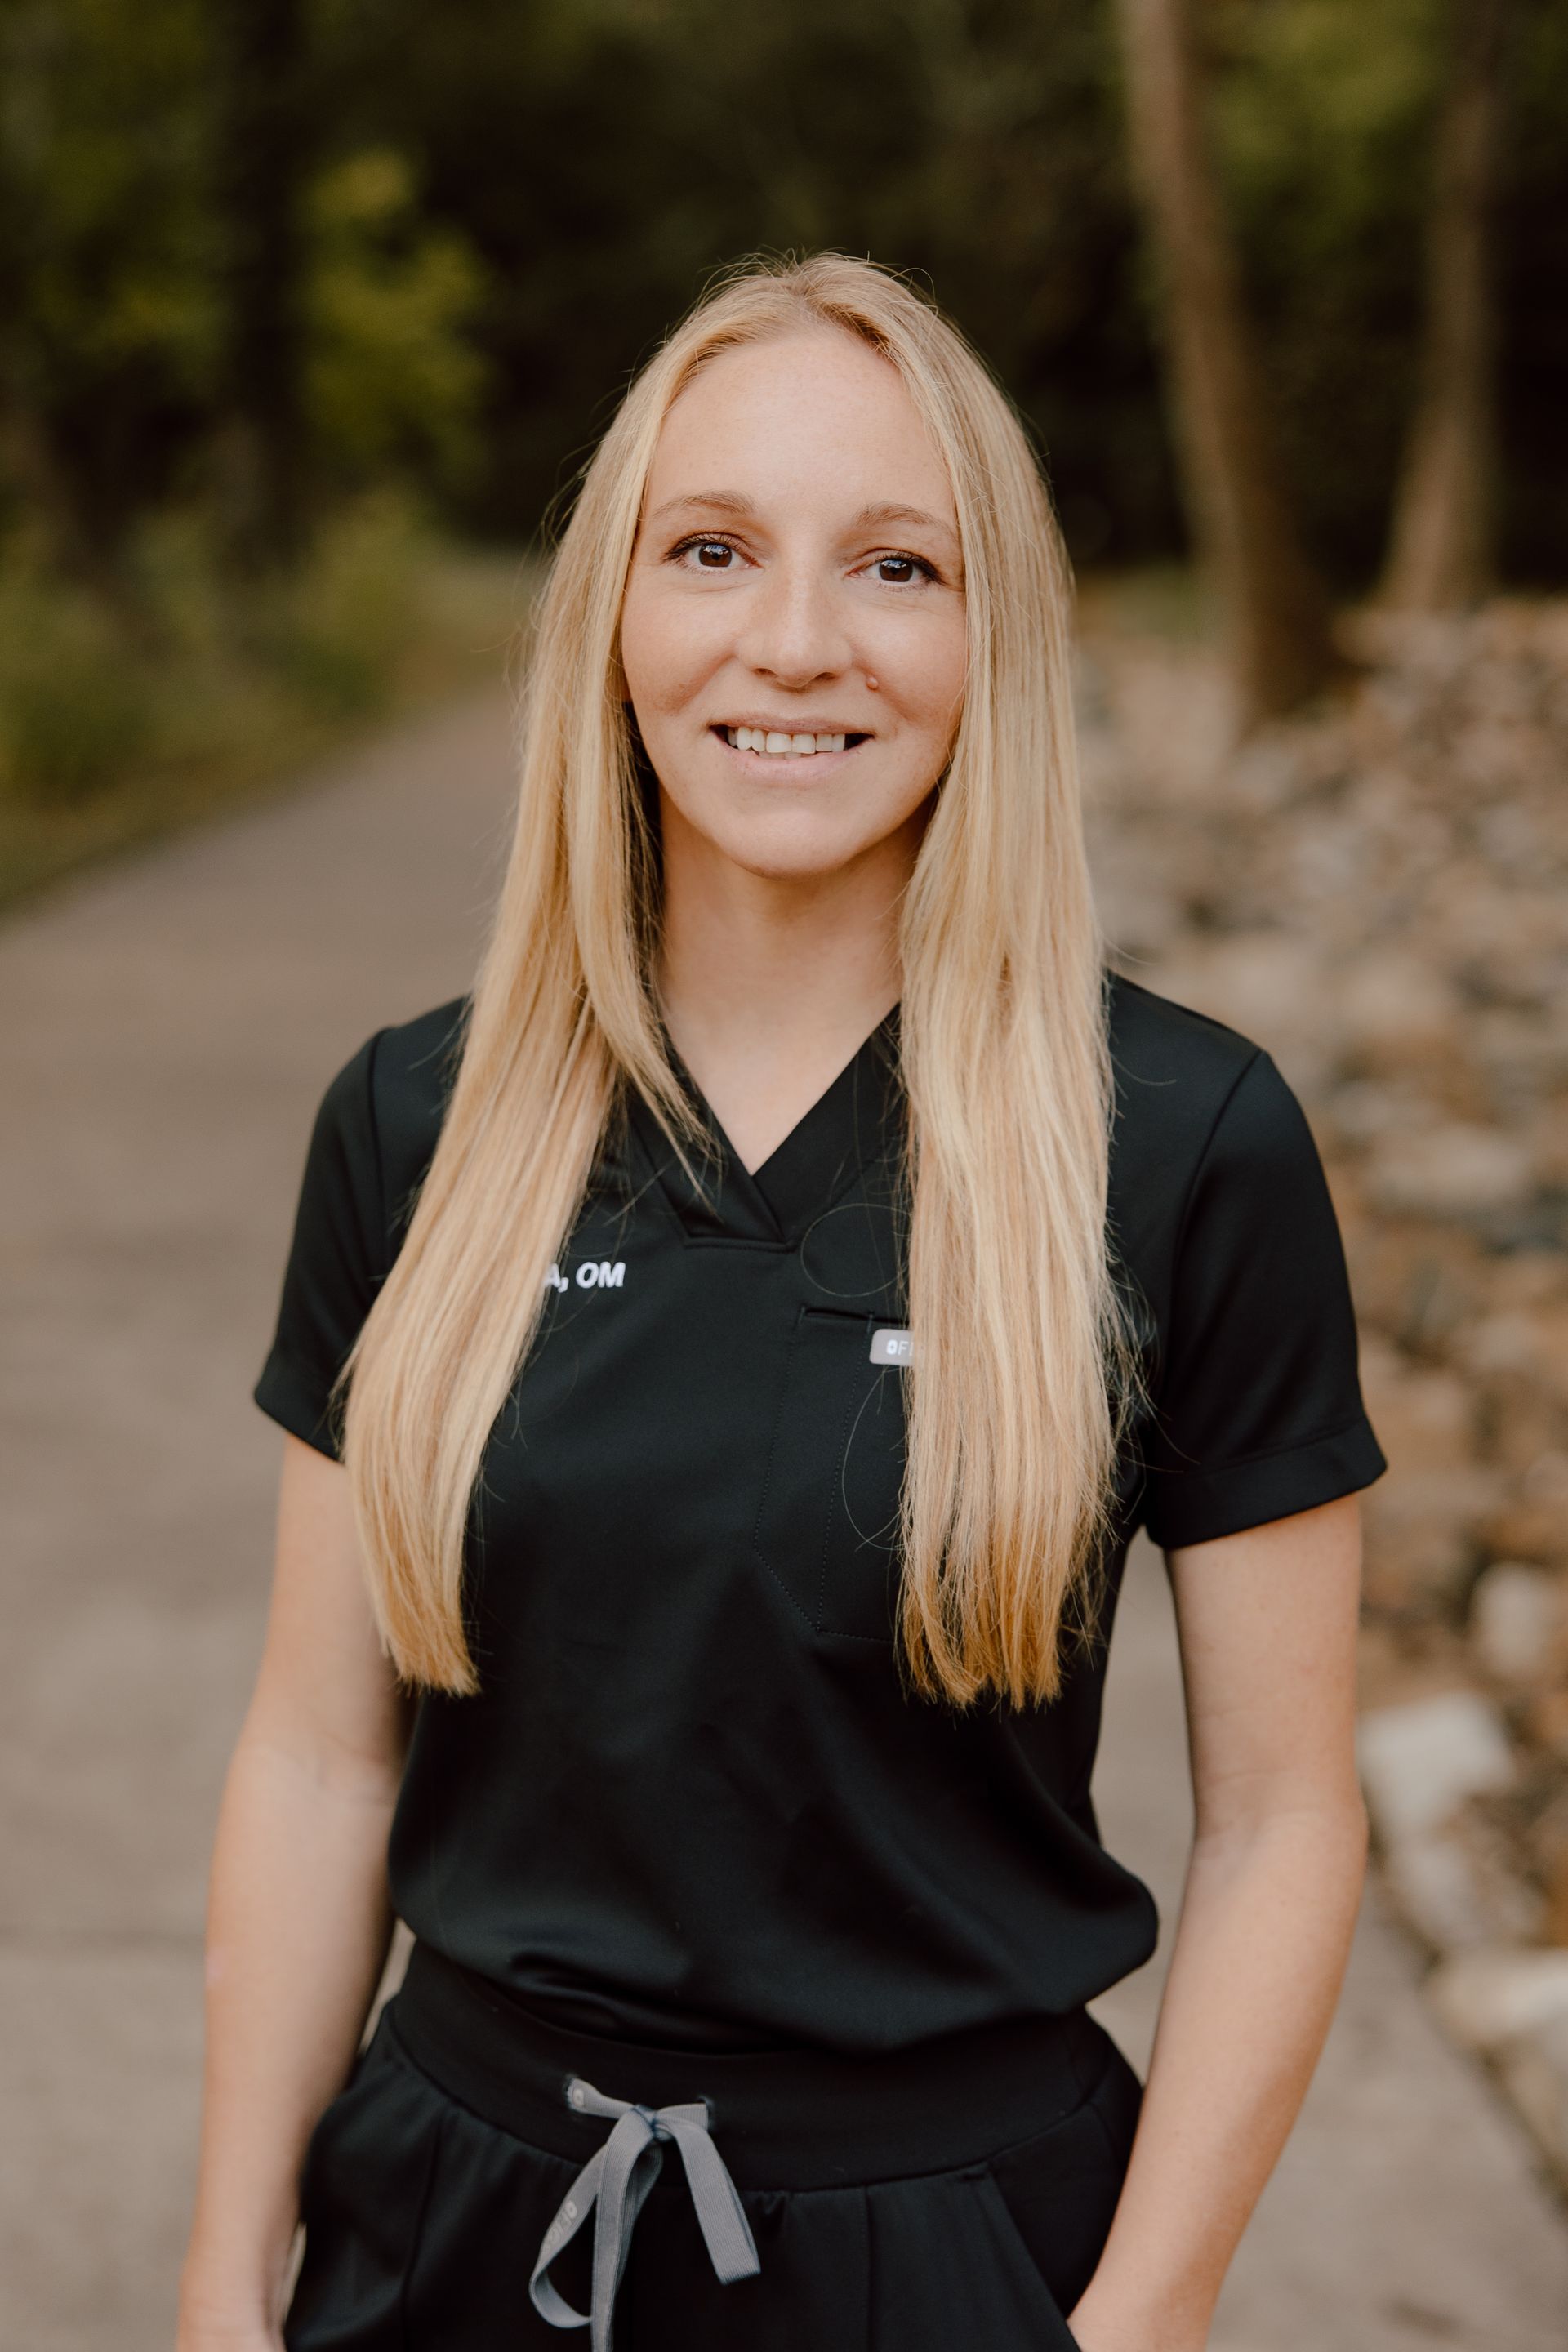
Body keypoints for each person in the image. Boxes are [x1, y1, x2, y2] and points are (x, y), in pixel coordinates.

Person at [177, 253, 1384, 2352]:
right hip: (448, 2228)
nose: (797, 644)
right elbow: (316, 1761)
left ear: (992, 631)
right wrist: (222, 2283)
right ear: (612, 617)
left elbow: (1284, 1815)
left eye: (897, 566)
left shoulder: (1184, 1141)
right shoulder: (420, 1118)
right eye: (713, 550)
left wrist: (1149, 2309)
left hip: (950, 2252)